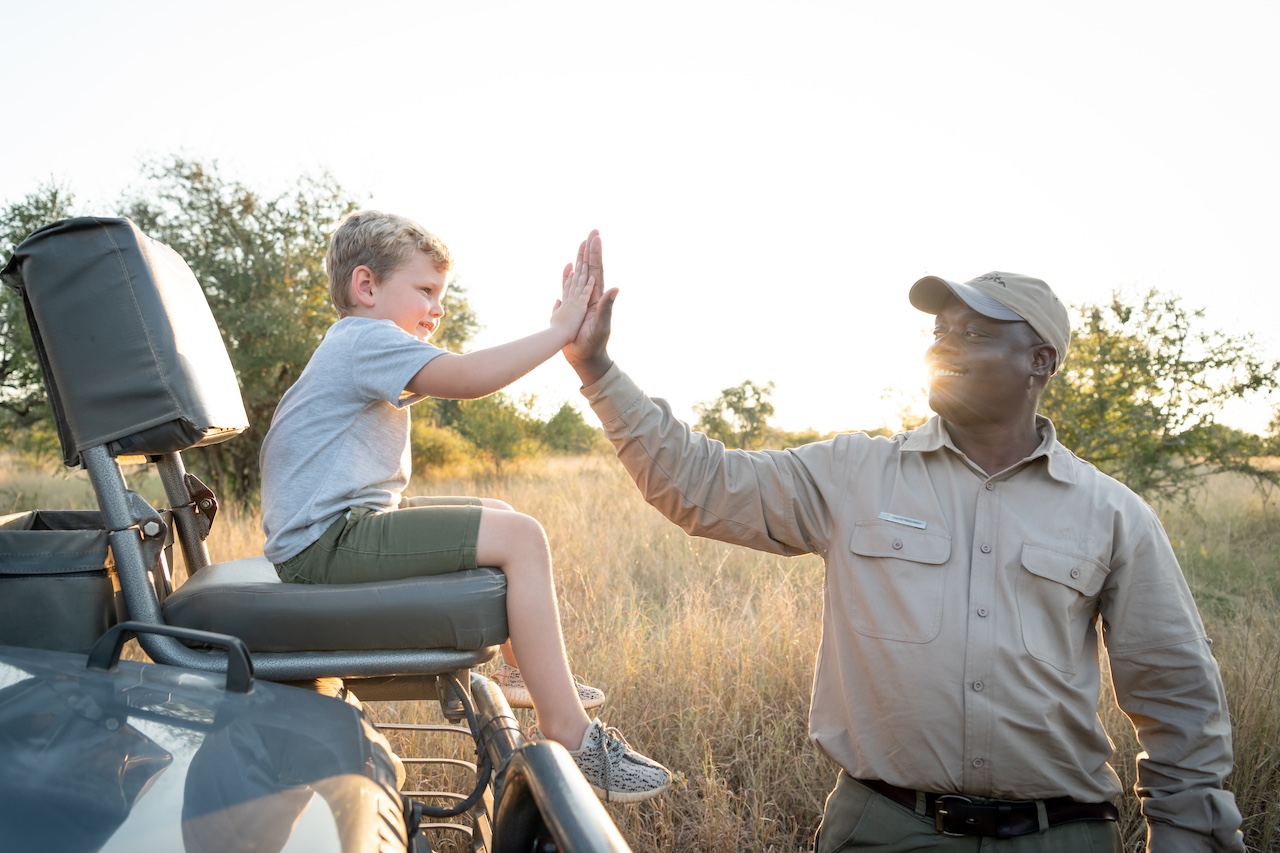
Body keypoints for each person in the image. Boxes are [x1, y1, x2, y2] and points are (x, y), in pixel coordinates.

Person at [563, 232, 1245, 850]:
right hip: (887, 829)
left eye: (974, 332)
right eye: (940, 331)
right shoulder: (855, 473)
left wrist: (1187, 832)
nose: (944, 345)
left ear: (1040, 359)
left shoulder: (1113, 513)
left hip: (1060, 835)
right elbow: (699, 484)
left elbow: (1176, 689)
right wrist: (597, 370)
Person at [259, 211, 671, 803]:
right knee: (522, 537)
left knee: (498, 511)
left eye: (441, 296)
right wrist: (560, 331)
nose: (436, 309)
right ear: (366, 287)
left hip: (332, 532)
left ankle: (513, 670)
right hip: (327, 542)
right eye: (425, 291)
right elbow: (471, 376)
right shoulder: (365, 338)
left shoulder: (356, 342)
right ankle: (571, 736)